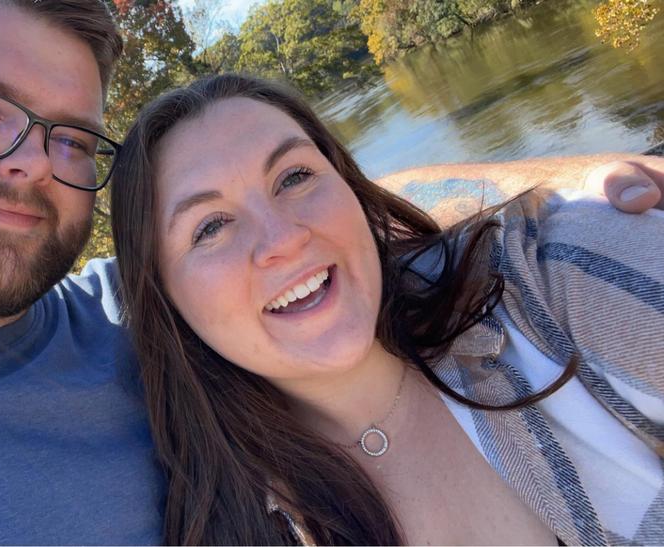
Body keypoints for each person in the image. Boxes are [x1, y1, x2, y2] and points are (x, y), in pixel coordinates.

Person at [0, 0, 659, 543]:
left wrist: (563, 182)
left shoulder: (122, 318)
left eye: (68, 136)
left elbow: (313, 221)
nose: (27, 160)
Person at [109, 73, 663, 545]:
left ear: (350, 187)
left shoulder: (554, 279)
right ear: (165, 302)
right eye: (210, 227)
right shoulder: (241, 528)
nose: (283, 238)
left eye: (295, 176)